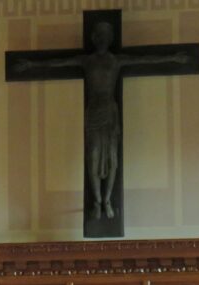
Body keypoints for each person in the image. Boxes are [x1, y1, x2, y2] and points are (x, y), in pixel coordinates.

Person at [14, 22, 188, 220]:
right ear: (94, 38)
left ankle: (107, 200)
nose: (102, 39)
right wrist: (31, 64)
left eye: (105, 36)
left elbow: (145, 59)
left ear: (110, 39)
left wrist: (172, 57)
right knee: (93, 156)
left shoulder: (116, 60)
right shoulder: (86, 61)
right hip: (94, 113)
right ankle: (97, 201)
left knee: (112, 159)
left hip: (110, 113)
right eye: (98, 35)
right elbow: (57, 62)